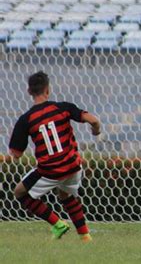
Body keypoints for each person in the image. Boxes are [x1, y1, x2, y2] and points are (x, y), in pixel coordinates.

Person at [9, 71, 101, 242]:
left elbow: (16, 154)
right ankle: (85, 236)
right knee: (66, 194)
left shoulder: (26, 119)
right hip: (73, 166)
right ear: (48, 89)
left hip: (50, 170)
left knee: (19, 192)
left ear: (29, 92)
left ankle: (58, 224)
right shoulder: (63, 107)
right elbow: (94, 120)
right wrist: (96, 131)